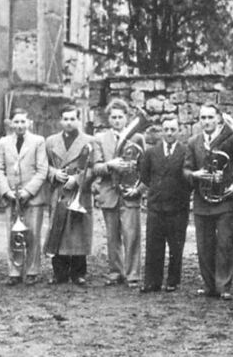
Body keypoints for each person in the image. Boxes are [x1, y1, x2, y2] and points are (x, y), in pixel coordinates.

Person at [183, 102, 233, 301]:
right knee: (204, 246)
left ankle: (224, 286)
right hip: (202, 201)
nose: (207, 121)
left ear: (218, 119)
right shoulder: (193, 142)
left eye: (210, 117)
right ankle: (209, 285)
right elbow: (185, 170)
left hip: (224, 200)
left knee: (226, 244)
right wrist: (196, 174)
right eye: (203, 118)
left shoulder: (230, 139)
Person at [44, 105, 101, 285]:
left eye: (72, 119)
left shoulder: (90, 141)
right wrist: (54, 173)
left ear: (79, 120)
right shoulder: (51, 141)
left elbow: (94, 167)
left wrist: (77, 179)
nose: (69, 123)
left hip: (79, 192)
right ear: (61, 121)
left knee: (78, 231)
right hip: (59, 190)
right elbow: (42, 165)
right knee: (58, 229)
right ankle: (59, 272)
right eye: (65, 119)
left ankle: (78, 272)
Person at [93, 99, 145, 288]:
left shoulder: (137, 138)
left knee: (132, 236)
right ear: (108, 119)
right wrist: (110, 165)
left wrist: (133, 171)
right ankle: (115, 272)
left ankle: (132, 275)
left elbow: (144, 167)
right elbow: (95, 167)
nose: (116, 120)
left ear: (126, 118)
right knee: (112, 236)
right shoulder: (99, 138)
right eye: (113, 117)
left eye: (120, 117)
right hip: (109, 193)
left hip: (129, 193)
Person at [139, 116, 192, 293]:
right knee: (154, 245)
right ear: (162, 131)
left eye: (173, 130)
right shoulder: (151, 153)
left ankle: (173, 281)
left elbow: (188, 178)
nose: (169, 133)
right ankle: (152, 281)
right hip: (156, 207)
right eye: (166, 129)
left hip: (178, 208)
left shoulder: (185, 152)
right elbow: (145, 177)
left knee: (176, 246)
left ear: (179, 131)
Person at [0, 108, 48, 286]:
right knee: (13, 234)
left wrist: (28, 191)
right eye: (16, 122)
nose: (19, 126)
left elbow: (42, 170)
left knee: (32, 234)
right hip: (12, 196)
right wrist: (6, 191)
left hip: (32, 197)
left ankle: (32, 270)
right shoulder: (3, 142)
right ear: (10, 124)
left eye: (23, 122)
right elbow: (0, 169)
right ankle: (14, 271)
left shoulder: (38, 141)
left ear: (29, 123)